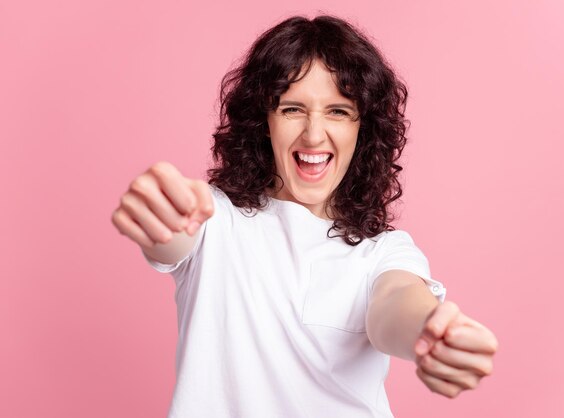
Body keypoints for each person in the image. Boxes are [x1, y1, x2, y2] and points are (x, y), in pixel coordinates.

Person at [111, 14, 498, 418]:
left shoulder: (383, 251)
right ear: (264, 122)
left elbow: (396, 303)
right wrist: (160, 217)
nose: (314, 135)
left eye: (338, 111)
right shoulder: (215, 220)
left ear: (362, 130)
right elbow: (173, 236)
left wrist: (431, 331)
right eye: (293, 108)